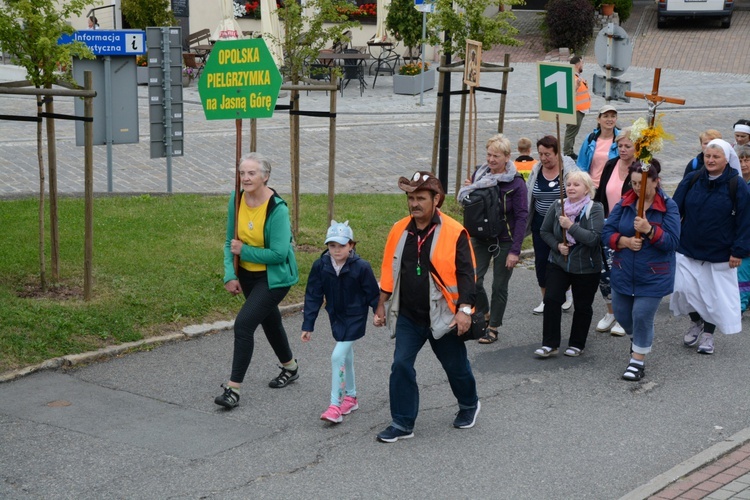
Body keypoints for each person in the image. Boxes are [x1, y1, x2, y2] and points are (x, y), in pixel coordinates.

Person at [373, 171, 480, 443]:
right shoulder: (399, 229)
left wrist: (465, 310)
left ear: (436, 200)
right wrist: (381, 304)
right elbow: (389, 268)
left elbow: (468, 274)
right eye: (410, 198)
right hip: (409, 315)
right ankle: (402, 422)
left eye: (421, 198)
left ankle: (469, 405)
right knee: (400, 366)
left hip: (443, 314)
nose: (414, 204)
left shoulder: (455, 231)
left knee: (455, 367)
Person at [215, 152, 300, 410]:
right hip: (247, 276)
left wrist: (245, 251)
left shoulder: (277, 209)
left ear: (266, 176)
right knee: (270, 320)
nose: (246, 178)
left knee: (243, 326)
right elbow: (230, 241)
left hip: (274, 278)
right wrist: (230, 273)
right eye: (242, 173)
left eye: (252, 173)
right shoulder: (236, 199)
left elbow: (279, 254)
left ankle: (233, 390)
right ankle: (290, 367)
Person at [601, 160, 681, 380]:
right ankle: (639, 341)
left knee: (641, 315)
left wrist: (649, 230)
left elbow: (672, 242)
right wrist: (624, 241)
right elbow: (606, 233)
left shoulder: (668, 206)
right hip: (623, 271)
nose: (637, 188)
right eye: (634, 183)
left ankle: (637, 361)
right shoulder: (625, 203)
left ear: (655, 181)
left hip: (654, 274)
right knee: (623, 315)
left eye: (642, 183)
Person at [670, 139, 750, 355]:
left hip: (720, 252)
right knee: (683, 290)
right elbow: (675, 209)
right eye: (708, 156)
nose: (711, 160)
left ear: (726, 159)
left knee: (712, 296)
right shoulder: (693, 178)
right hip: (688, 246)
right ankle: (695, 321)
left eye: (716, 157)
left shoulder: (737, 184)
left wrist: (738, 251)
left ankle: (708, 335)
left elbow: (745, 220)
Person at [301, 220, 379, 423]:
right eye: (332, 245)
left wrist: (378, 312)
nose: (337, 250)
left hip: (355, 318)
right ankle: (351, 397)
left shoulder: (362, 267)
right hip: (336, 317)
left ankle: (335, 405)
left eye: (342, 245)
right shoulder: (321, 265)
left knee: (337, 356)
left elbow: (372, 293)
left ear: (351, 245)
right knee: (347, 357)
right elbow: (313, 295)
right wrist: (308, 324)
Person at [457, 134, 528, 344]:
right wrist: (470, 189)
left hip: (504, 241)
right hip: (480, 237)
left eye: (496, 156)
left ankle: (494, 326)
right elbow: (471, 205)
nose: (490, 160)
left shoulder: (516, 183)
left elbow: (522, 217)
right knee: (473, 280)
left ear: (507, 157)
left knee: (499, 286)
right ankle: (485, 314)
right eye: (488, 155)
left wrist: (516, 250)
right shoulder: (480, 175)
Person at [534, 171, 604, 358]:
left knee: (582, 306)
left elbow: (594, 238)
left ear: (587, 189)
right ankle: (550, 344)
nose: (571, 188)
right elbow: (544, 231)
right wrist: (557, 246)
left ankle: (577, 343)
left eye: (576, 185)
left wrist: (570, 227)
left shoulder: (595, 208)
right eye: (569, 184)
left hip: (586, 267)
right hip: (559, 262)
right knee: (551, 299)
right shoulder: (558, 206)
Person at [591, 127, 638, 336]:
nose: (623, 149)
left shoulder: (641, 170)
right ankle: (610, 311)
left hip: (628, 227)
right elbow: (601, 193)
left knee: (624, 272)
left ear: (637, 148)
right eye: (620, 146)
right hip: (607, 224)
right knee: (604, 272)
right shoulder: (611, 165)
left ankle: (624, 314)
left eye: (628, 146)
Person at [526, 135, 579, 314]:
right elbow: (529, 193)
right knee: (541, 261)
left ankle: (567, 292)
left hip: (562, 221)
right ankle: (546, 298)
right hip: (540, 222)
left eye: (547, 154)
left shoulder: (568, 169)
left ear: (557, 153)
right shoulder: (536, 169)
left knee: (561, 257)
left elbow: (579, 189)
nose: (543, 158)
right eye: (540, 154)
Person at [577, 104, 621, 189]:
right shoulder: (590, 139)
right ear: (598, 119)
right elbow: (581, 164)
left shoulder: (621, 138)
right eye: (605, 116)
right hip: (593, 187)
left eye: (613, 116)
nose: (610, 119)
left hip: (612, 187)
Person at [563, 56, 591, 159]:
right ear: (577, 65)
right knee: (571, 132)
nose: (582, 65)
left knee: (573, 132)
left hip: (579, 109)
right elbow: (570, 93)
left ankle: (569, 150)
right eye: (582, 63)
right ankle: (568, 152)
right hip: (575, 110)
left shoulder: (577, 77)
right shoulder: (572, 78)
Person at [736, 145, 750, 312]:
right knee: (742, 274)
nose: (744, 164)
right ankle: (740, 305)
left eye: (747, 160)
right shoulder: (736, 181)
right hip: (740, 234)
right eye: (740, 160)